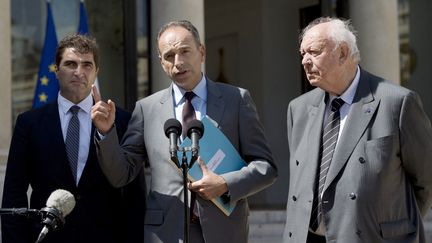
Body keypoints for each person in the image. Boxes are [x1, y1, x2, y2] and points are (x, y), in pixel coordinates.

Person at [91, 20, 278, 243]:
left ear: (201, 52)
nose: (178, 62)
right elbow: (121, 173)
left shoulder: (236, 100)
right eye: (169, 56)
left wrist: (224, 184)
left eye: (185, 51)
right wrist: (106, 133)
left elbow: (266, 167)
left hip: (224, 231)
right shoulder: (146, 108)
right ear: (161, 62)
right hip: (165, 232)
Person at [283, 17, 432, 243]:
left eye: (313, 52)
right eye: (302, 53)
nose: (305, 61)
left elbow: (426, 179)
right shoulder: (299, 109)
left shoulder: (397, 103)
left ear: (342, 53)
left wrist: (394, 227)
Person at [2, 34, 144, 243]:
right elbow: (14, 194)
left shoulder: (122, 121)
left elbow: (134, 196)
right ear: (56, 71)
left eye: (87, 65)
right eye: (70, 64)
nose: (79, 72)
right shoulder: (29, 124)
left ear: (96, 72)